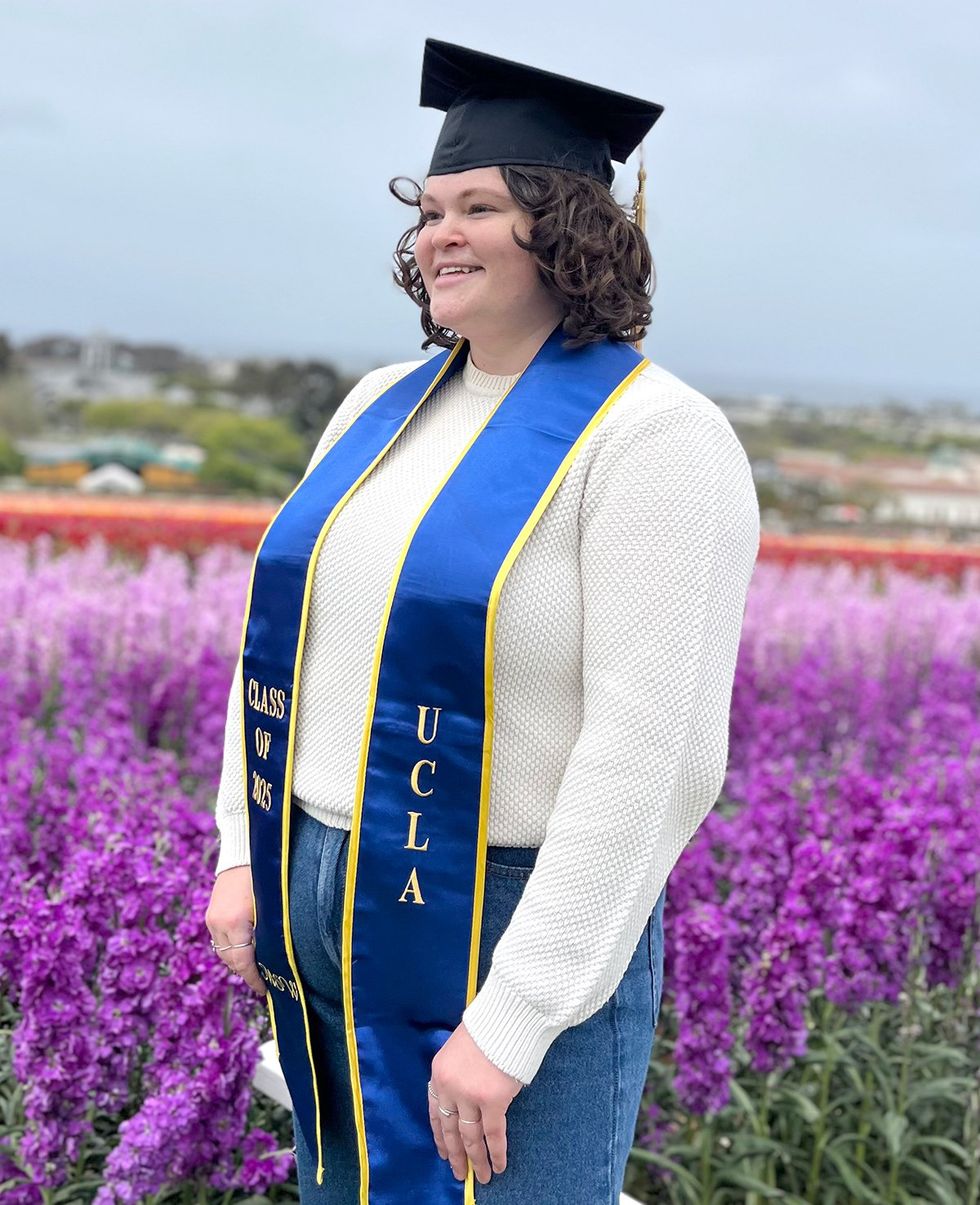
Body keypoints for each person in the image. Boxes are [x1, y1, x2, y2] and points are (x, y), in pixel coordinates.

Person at [205, 37, 760, 1205]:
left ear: (565, 228)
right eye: (430, 207)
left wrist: (512, 1019)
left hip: (509, 919)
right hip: (322, 885)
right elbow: (290, 647)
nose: (438, 232)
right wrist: (244, 853)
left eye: (479, 206)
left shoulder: (653, 439)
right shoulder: (377, 406)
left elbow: (650, 757)